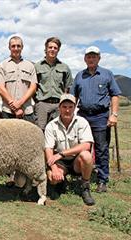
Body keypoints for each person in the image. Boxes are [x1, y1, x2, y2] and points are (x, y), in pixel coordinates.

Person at [70, 46, 121, 193]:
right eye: (89, 56)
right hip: (83, 116)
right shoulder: (79, 76)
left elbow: (115, 95)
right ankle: (82, 175)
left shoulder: (107, 74)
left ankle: (102, 180)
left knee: (101, 149)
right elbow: (74, 96)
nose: (91, 59)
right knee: (81, 146)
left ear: (99, 58)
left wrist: (114, 114)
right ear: (85, 58)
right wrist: (71, 114)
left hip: (100, 116)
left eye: (94, 56)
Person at [44, 94, 95, 205]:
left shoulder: (82, 122)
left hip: (76, 161)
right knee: (53, 178)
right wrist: (54, 169)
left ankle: (85, 187)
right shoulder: (51, 126)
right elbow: (48, 149)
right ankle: (60, 182)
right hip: (60, 162)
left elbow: (86, 145)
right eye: (64, 107)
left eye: (70, 107)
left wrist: (62, 153)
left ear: (74, 107)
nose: (67, 110)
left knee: (86, 155)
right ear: (59, 108)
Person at [34, 37, 73, 131]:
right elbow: (33, 86)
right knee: (40, 131)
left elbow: (68, 87)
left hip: (58, 105)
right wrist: (38, 102)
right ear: (45, 49)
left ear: (58, 50)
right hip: (42, 104)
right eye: (50, 47)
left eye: (55, 48)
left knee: (58, 131)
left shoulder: (64, 67)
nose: (52, 49)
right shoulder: (37, 66)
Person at [0, 35, 37, 122]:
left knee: (28, 135)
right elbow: (1, 88)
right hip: (8, 111)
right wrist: (14, 106)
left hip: (27, 111)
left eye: (18, 46)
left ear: (22, 47)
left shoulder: (30, 66)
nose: (16, 48)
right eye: (13, 46)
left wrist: (20, 103)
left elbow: (33, 88)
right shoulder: (2, 65)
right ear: (9, 47)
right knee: (7, 136)